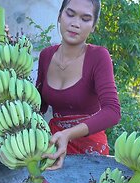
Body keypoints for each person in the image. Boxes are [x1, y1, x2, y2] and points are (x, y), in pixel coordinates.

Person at [36, 0, 121, 170]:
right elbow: (38, 106)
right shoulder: (46, 56)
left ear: (93, 26)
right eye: (70, 14)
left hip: (90, 150)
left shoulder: (98, 56)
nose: (75, 23)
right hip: (54, 145)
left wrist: (67, 134)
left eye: (85, 18)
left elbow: (112, 111)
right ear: (60, 15)